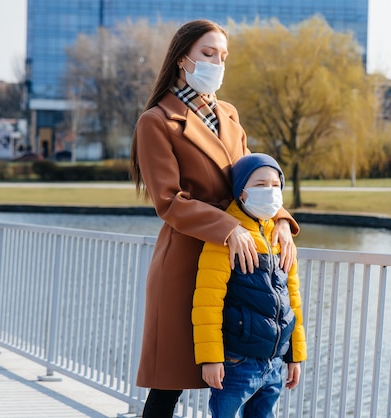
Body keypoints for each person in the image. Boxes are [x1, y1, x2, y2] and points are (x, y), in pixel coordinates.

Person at [129, 20, 299, 417]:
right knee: (168, 385)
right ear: (181, 59)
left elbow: (253, 176)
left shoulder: (228, 114)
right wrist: (228, 227)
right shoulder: (155, 121)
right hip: (186, 262)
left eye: (222, 56)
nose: (217, 64)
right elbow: (169, 201)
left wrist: (280, 221)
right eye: (208, 54)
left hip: (239, 268)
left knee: (240, 379)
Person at [192, 153, 307, 417]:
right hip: (237, 362)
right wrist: (211, 358)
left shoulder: (282, 239)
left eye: (275, 185)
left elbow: (293, 300)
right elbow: (207, 303)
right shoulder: (225, 237)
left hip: (275, 361)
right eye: (259, 185)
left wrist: (295, 355)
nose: (269, 191)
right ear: (241, 192)